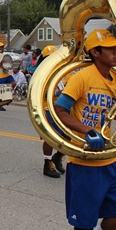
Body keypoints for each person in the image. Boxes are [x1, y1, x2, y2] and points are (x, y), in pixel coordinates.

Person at [55, 29, 116, 230]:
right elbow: (61, 110)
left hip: (109, 159)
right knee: (84, 224)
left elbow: (113, 112)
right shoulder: (81, 76)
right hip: (84, 162)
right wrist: (88, 130)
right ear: (95, 52)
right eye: (110, 48)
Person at [35, 45, 66, 178]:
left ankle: (58, 156)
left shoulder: (61, 72)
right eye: (49, 58)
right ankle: (47, 164)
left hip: (61, 108)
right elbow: (42, 93)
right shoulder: (42, 74)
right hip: (48, 109)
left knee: (68, 136)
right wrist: (59, 92)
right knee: (50, 139)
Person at [0, 42, 16, 112]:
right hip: (0, 74)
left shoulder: (5, 55)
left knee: (14, 83)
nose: (1, 48)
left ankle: (7, 97)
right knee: (1, 90)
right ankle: (0, 105)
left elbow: (8, 64)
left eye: (2, 47)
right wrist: (0, 63)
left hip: (6, 73)